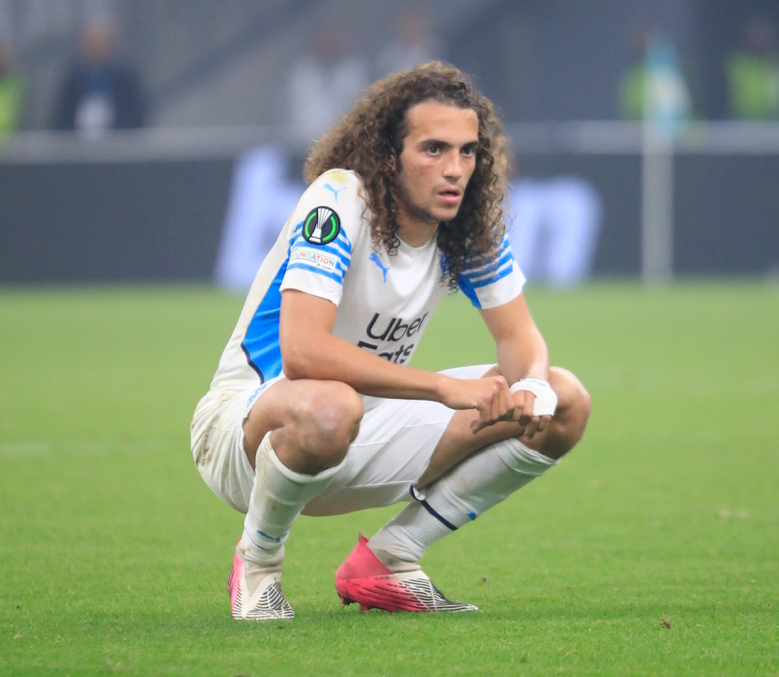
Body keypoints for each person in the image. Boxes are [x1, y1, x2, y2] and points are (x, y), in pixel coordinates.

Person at [190, 61, 591, 620]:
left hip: (363, 431)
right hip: (247, 434)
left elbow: (522, 339)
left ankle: (392, 558)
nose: (455, 169)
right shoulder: (340, 199)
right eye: (433, 149)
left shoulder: (466, 225)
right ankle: (257, 565)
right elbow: (303, 353)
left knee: (566, 399)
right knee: (332, 404)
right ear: (387, 156)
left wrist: (531, 389)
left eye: (468, 151)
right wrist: (441, 387)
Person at [51, 20, 146, 137]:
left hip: (117, 144)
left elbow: (135, 114)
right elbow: (61, 115)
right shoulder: (73, 78)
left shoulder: (125, 78)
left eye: (100, 43)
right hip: (78, 147)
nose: (96, 49)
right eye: (91, 44)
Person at [726, 13, 779, 120]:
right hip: (745, 129)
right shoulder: (737, 63)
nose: (760, 36)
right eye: (756, 31)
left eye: (763, 31)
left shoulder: (775, 61)